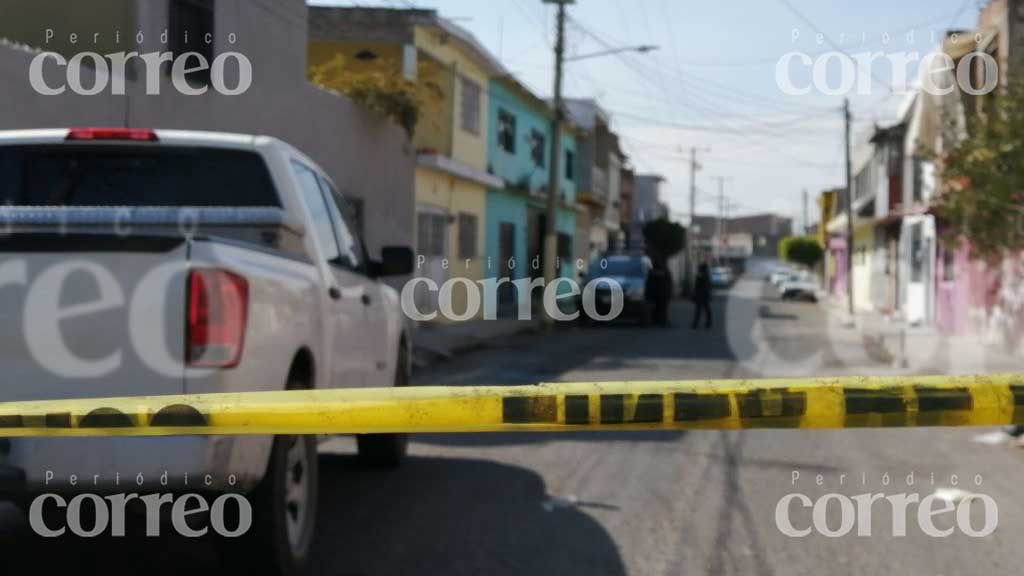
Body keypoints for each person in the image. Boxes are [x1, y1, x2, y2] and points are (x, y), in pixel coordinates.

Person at [692, 263, 712, 330]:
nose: (698, 270)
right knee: (706, 309)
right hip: (705, 295)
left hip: (701, 295)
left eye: (699, 268)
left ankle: (695, 324)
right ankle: (708, 323)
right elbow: (708, 286)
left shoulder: (701, 275)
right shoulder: (707, 275)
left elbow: (697, 286)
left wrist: (695, 294)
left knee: (699, 310)